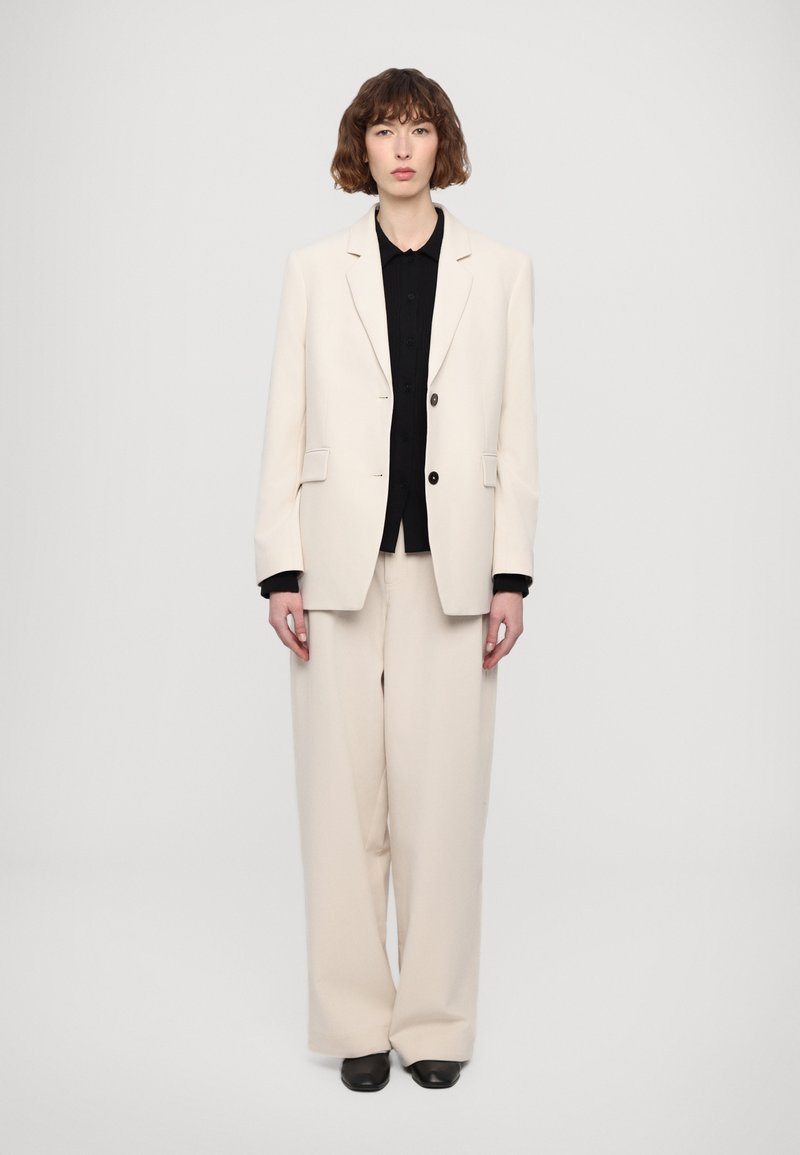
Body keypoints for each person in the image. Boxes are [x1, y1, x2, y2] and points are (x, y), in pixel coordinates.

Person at [254, 67, 539, 1092]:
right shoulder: (312, 268)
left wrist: (511, 574)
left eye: (419, 129)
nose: (403, 148)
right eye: (385, 131)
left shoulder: (499, 270)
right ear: (361, 148)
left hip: (453, 572)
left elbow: (515, 428)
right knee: (341, 808)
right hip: (335, 567)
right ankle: (355, 1024)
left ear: (440, 144)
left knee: (442, 809)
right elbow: (285, 420)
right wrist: (279, 567)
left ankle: (434, 1025)